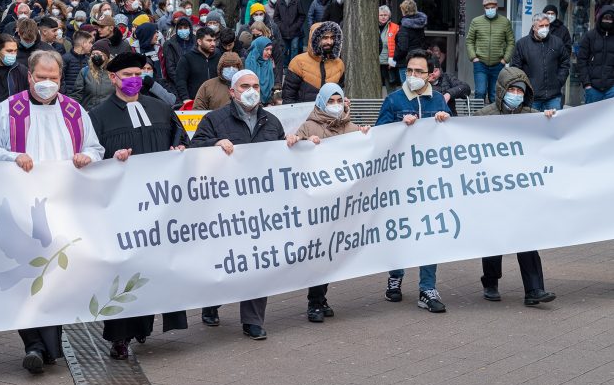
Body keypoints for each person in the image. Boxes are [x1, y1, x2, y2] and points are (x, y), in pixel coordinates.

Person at [0, 50, 104, 373]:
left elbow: (94, 147)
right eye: (42, 77)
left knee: (56, 277)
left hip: (63, 207)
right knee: (28, 275)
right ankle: (33, 343)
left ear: (61, 79)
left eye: (54, 78)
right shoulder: (8, 111)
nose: (48, 83)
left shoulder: (74, 111)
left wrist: (86, 158)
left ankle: (49, 345)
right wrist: (13, 158)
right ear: (29, 76)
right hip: (22, 207)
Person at [88, 52, 189, 360]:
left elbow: (181, 138)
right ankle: (121, 337)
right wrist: (111, 160)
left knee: (157, 263)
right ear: (114, 78)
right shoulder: (99, 115)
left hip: (159, 206)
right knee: (125, 269)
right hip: (123, 208)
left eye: (140, 72)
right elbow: (90, 157)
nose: (135, 78)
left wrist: (181, 147)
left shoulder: (160, 107)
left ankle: (146, 325)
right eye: (128, 74)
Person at [191, 70, 285, 340]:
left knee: (258, 261)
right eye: (245, 86)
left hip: (260, 208)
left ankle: (253, 320)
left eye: (255, 85)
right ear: (232, 92)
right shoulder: (215, 120)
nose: (251, 90)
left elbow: (281, 159)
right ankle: (212, 302)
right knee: (225, 260)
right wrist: (214, 143)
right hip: (224, 207)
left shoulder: (271, 122)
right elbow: (194, 149)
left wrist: (292, 145)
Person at [474, 67, 557, 306]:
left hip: (521, 190)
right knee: (493, 237)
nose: (515, 94)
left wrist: (550, 121)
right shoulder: (483, 117)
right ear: (501, 90)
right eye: (511, 89)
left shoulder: (533, 116)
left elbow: (548, 141)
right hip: (493, 187)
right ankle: (490, 282)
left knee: (526, 236)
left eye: (520, 91)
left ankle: (534, 290)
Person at [287, 83, 369, 322]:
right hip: (317, 202)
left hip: (341, 203)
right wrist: (298, 141)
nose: (335, 105)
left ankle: (321, 298)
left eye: (338, 100)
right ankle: (314, 301)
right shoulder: (309, 125)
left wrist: (366, 138)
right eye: (330, 101)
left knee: (331, 252)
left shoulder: (351, 127)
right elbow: (293, 150)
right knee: (318, 254)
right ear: (322, 102)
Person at [376, 50, 450, 313]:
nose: (413, 76)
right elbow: (379, 136)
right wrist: (398, 128)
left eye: (419, 71)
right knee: (400, 229)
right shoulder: (395, 100)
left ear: (430, 74)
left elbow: (451, 138)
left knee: (430, 230)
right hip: (400, 182)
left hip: (429, 182)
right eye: (409, 71)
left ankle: (427, 288)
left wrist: (445, 121)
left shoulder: (439, 100)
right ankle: (395, 276)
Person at [511, 13, 570, 111]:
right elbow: (516, 68)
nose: (545, 28)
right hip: (532, 98)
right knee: (532, 125)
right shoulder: (522, 44)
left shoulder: (557, 42)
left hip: (553, 96)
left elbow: (565, 63)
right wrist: (525, 87)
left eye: (547, 25)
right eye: (541, 26)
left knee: (554, 125)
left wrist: (559, 80)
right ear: (534, 27)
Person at [466, 0, 514, 102]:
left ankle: (493, 118)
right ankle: (478, 117)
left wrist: (505, 59)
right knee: (480, 92)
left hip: (498, 64)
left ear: (497, 7)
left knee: (494, 94)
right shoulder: (476, 21)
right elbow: (469, 40)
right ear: (484, 8)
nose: (490, 10)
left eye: (492, 7)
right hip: (480, 64)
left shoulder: (505, 22)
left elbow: (511, 42)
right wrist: (473, 57)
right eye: (487, 8)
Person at [283, 21, 344, 104]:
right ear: (315, 39)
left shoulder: (339, 64)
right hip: (303, 114)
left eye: (332, 38)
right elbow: (288, 96)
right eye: (325, 38)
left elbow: (340, 93)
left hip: (329, 114)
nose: (329, 42)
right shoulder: (298, 62)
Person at [577, 5, 614, 103]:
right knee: (591, 117)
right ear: (600, 18)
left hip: (612, 89)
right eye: (605, 18)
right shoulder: (590, 36)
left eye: (610, 18)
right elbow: (581, 60)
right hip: (592, 89)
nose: (607, 21)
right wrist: (587, 84)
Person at [175, 27, 220, 103]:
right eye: (209, 40)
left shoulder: (219, 56)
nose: (213, 44)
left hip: (216, 102)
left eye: (214, 40)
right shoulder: (187, 58)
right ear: (199, 41)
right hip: (195, 103)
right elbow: (180, 81)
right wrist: (185, 99)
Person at [73, 39, 115, 110]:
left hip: (108, 112)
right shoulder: (85, 71)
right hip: (89, 112)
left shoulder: (114, 72)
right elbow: (77, 95)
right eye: (93, 54)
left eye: (98, 54)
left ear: (106, 55)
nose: (95, 56)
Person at [393, 0, 428, 83]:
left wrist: (395, 57)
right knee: (417, 88)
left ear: (403, 10)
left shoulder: (404, 28)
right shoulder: (420, 25)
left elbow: (403, 48)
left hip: (406, 63)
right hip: (419, 60)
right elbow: (423, 43)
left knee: (407, 89)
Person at [273, 0, 307, 67]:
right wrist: (280, 26)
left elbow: (302, 15)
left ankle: (293, 67)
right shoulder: (279, 2)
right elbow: (276, 17)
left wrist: (296, 26)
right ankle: (284, 66)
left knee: (294, 49)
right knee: (284, 50)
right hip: (283, 32)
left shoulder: (296, 0)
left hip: (295, 31)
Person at [162, 16, 195, 85]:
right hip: (177, 83)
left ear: (190, 29)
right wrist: (180, 82)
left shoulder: (197, 42)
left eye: (185, 28)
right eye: (180, 28)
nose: (183, 30)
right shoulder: (170, 44)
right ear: (176, 29)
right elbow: (170, 68)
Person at [62, 30, 94, 97]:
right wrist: (66, 95)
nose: (92, 45)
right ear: (83, 44)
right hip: (68, 98)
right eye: (90, 42)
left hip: (84, 99)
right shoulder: (65, 58)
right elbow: (61, 79)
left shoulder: (89, 60)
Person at [245, 37, 275, 105]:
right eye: (267, 49)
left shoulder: (270, 63)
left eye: (271, 50)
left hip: (268, 103)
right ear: (259, 49)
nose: (269, 53)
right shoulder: (249, 63)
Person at [377, 5, 399, 93]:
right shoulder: (371, 27)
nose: (383, 17)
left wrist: (393, 60)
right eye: (381, 15)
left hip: (388, 63)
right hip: (375, 63)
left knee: (391, 88)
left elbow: (398, 45)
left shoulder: (395, 27)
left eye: (385, 15)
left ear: (389, 16)